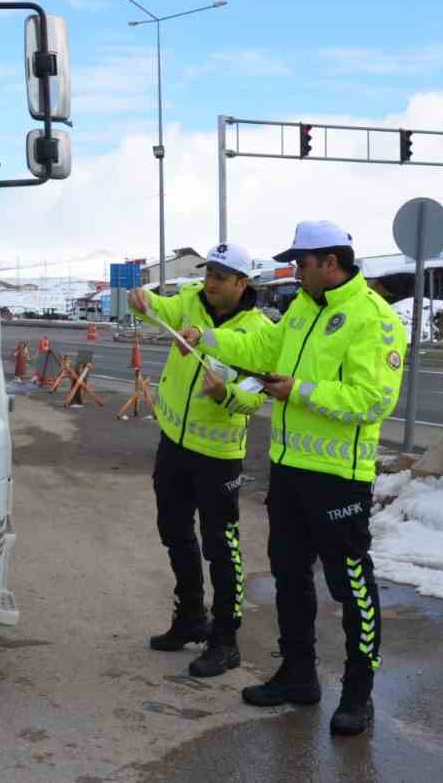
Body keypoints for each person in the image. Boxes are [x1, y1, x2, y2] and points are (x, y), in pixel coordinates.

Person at [177, 221, 408, 737]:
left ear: (330, 262)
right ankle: (298, 675)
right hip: (289, 472)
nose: (295, 272)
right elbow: (262, 349)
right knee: (289, 576)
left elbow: (372, 401)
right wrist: (206, 338)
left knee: (351, 586)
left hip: (339, 478)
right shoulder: (302, 308)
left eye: (301, 263)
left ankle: (358, 693)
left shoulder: (374, 319)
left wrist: (297, 391)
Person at [126, 243, 270, 677]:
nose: (210, 283)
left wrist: (225, 394)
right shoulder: (191, 300)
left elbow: (254, 398)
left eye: (220, 278)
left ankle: (226, 639)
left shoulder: (259, 333)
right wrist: (141, 301)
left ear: (242, 283)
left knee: (221, 546)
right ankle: (190, 616)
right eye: (208, 274)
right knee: (173, 530)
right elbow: (159, 310)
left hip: (218, 457)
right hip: (174, 444)